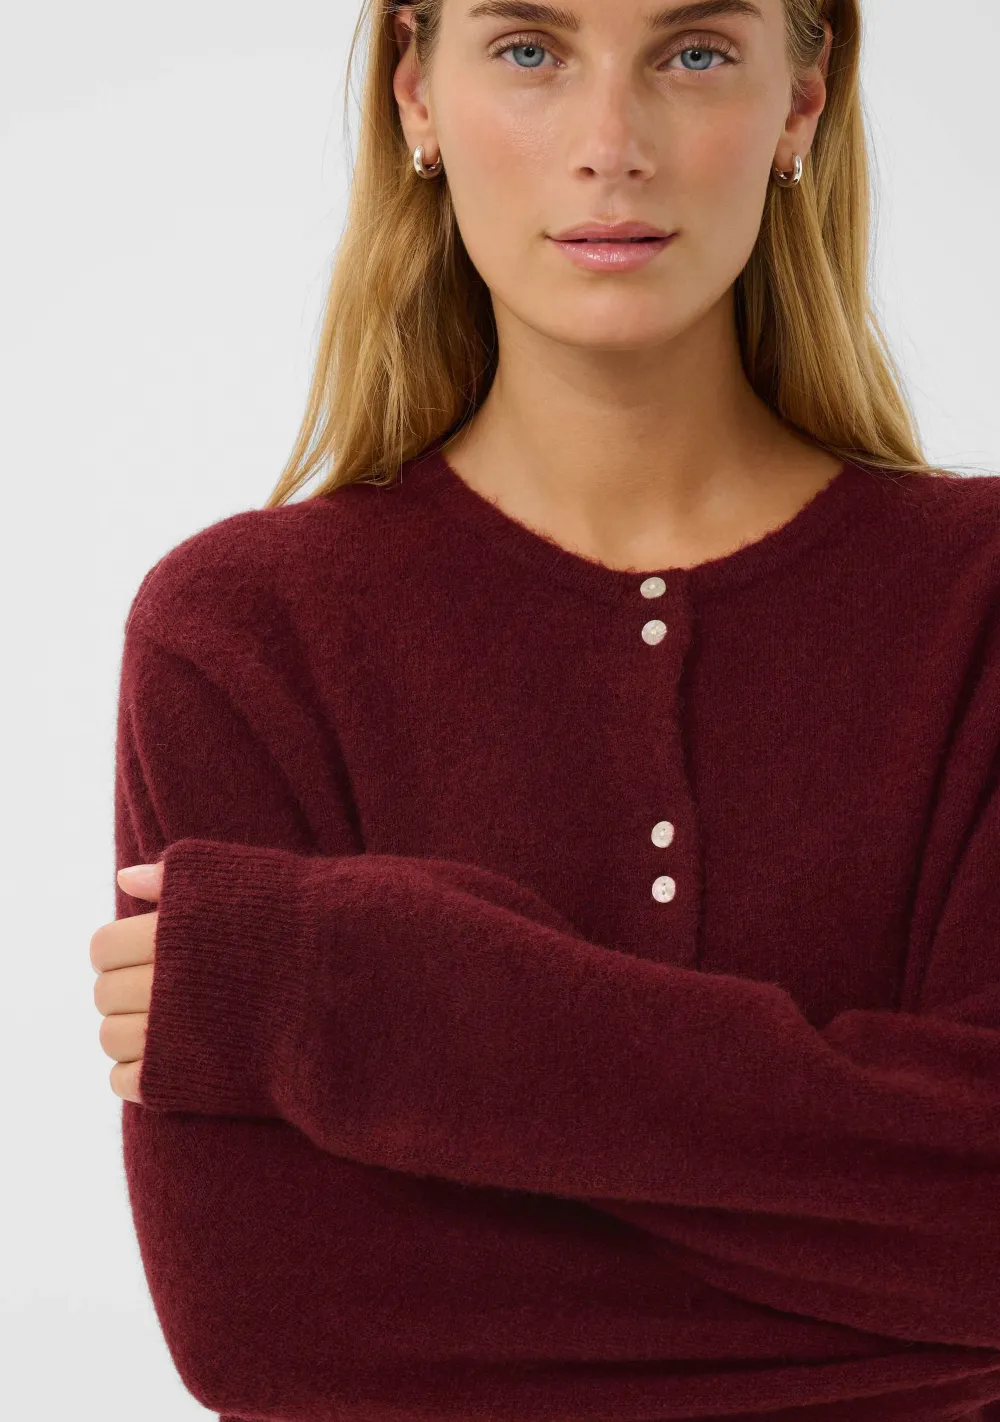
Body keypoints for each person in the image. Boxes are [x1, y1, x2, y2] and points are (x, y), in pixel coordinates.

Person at [95, 2, 1000, 1420]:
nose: (610, 144)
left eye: (693, 53)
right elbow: (265, 1326)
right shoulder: (236, 635)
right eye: (530, 50)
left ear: (803, 100)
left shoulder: (982, 605)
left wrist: (383, 993)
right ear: (417, 97)